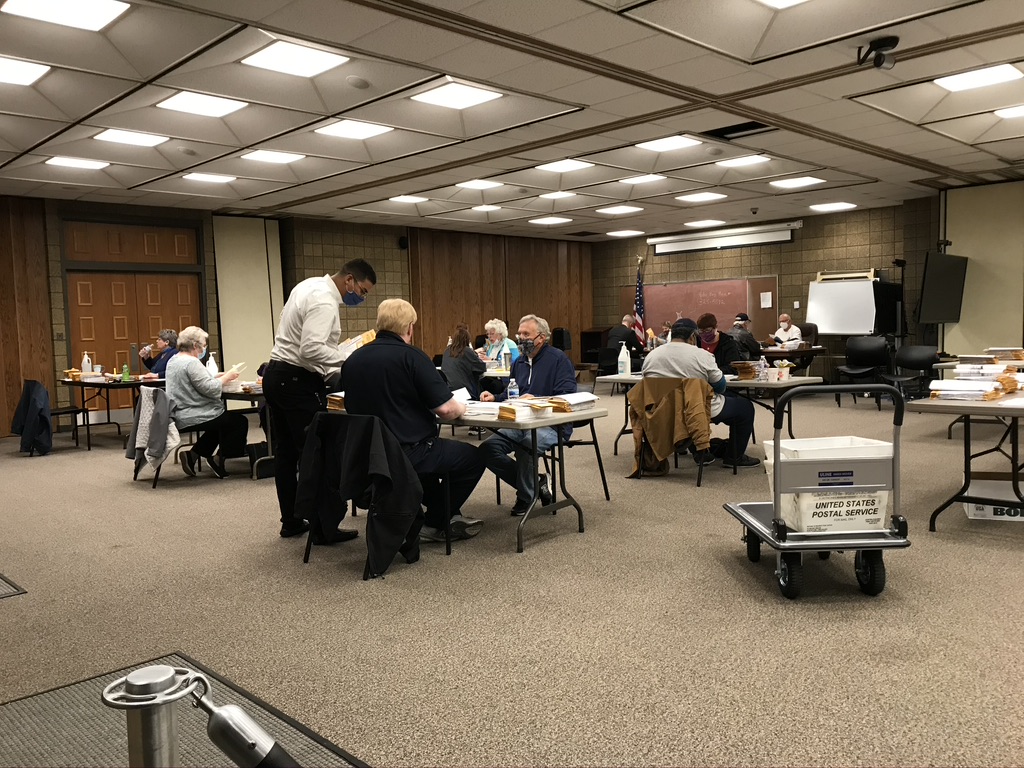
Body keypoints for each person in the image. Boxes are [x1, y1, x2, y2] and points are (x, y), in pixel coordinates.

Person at [342, 299, 486, 544]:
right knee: (474, 458)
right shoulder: (412, 357)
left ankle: (429, 512)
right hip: (408, 451)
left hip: (368, 455)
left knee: (430, 465)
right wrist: (462, 406)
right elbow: (447, 410)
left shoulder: (353, 360)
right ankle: (435, 522)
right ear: (410, 327)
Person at [263, 259, 376, 540]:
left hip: (277, 374)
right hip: (296, 380)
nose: (361, 298)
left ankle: (291, 520)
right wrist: (347, 357)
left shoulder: (307, 285)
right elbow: (311, 349)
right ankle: (324, 527)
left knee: (286, 454)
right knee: (318, 452)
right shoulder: (325, 301)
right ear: (349, 280)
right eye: (362, 291)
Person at [479, 314, 577, 516]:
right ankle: (536, 483)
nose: (521, 338)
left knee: (527, 444)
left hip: (552, 424)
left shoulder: (558, 360)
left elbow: (567, 396)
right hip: (521, 422)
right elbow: (512, 393)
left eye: (526, 334)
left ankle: (526, 496)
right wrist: (495, 397)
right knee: (488, 449)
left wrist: (536, 399)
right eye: (519, 334)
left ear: (541, 337)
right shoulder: (519, 362)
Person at [642, 318, 759, 469]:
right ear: (692, 336)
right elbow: (721, 386)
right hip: (695, 410)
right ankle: (734, 457)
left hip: (660, 411)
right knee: (745, 408)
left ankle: (698, 449)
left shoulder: (651, 356)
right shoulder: (701, 355)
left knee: (687, 409)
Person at [165, 326, 248, 478]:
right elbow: (209, 388)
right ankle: (219, 459)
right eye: (203, 345)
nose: (204, 348)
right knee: (238, 422)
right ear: (195, 345)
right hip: (193, 414)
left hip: (178, 413)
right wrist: (227, 377)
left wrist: (217, 377)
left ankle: (192, 455)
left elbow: (194, 381)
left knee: (220, 422)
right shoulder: (192, 362)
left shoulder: (174, 360)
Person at [442, 325, 486, 399]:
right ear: (467, 340)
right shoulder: (466, 351)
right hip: (465, 392)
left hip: (449, 391)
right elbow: (482, 367)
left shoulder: (447, 351)